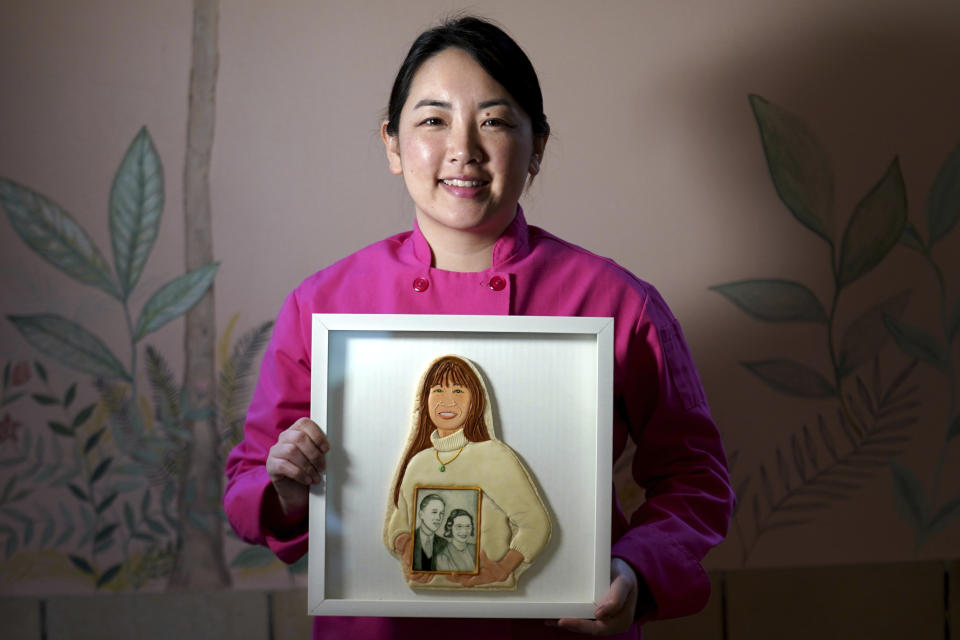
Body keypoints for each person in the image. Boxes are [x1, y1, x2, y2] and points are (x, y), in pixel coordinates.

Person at [224, 15, 733, 639]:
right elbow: (251, 482)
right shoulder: (323, 303)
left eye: (493, 120)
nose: (463, 149)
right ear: (391, 143)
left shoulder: (618, 301)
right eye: (433, 120)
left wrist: (635, 571)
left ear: (538, 146)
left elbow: (696, 479)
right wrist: (290, 489)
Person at [384, 355, 551, 589]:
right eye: (438, 390)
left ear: (476, 400)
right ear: (425, 399)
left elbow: (535, 523)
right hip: (420, 606)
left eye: (459, 391)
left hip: (490, 607)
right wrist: (407, 547)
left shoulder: (493, 456)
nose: (447, 401)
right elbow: (398, 524)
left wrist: (502, 568)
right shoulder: (418, 462)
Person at [411, 493, 448, 571]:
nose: (438, 518)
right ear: (421, 514)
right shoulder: (410, 539)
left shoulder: (445, 544)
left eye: (441, 513)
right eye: (434, 512)